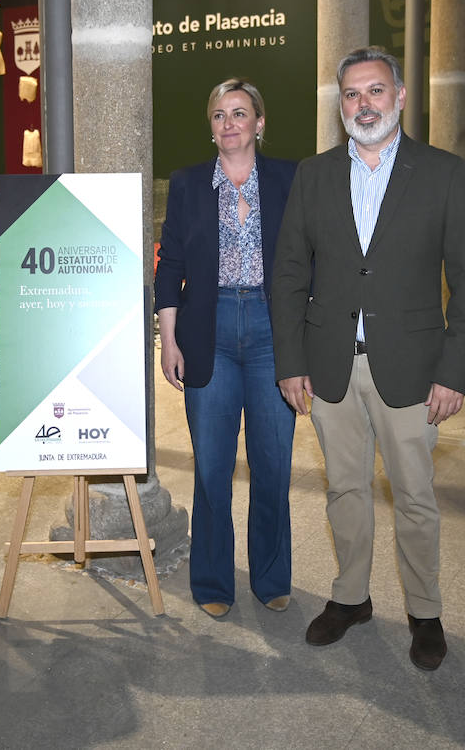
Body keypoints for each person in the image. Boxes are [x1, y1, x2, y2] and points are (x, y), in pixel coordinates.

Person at [271, 46, 465, 671]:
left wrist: (454, 370)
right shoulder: (314, 175)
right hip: (330, 361)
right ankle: (351, 597)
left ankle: (424, 612)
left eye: (374, 91)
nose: (363, 104)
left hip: (414, 367)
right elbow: (288, 273)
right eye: (351, 95)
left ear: (398, 96)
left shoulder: (442, 172)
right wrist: (291, 359)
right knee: (344, 488)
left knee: (415, 496)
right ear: (340, 105)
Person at [154, 79, 298, 619]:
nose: (229, 123)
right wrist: (168, 340)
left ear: (259, 123)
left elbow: (311, 258)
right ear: (211, 128)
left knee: (272, 463)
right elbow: (169, 267)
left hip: (270, 330)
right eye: (219, 115)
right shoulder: (190, 184)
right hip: (206, 329)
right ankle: (213, 578)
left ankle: (270, 575)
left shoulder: (289, 178)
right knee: (212, 467)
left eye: (240, 113)